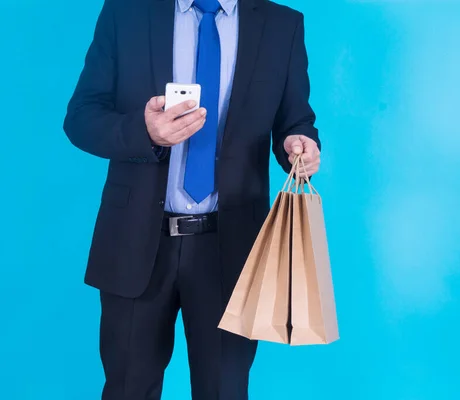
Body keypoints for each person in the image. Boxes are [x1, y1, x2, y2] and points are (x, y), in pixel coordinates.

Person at [63, 0, 321, 398]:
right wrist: (143, 132)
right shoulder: (126, 12)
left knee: (225, 391)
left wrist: (299, 142)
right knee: (127, 389)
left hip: (232, 249)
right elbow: (80, 117)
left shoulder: (283, 24)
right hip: (135, 244)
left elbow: (295, 118)